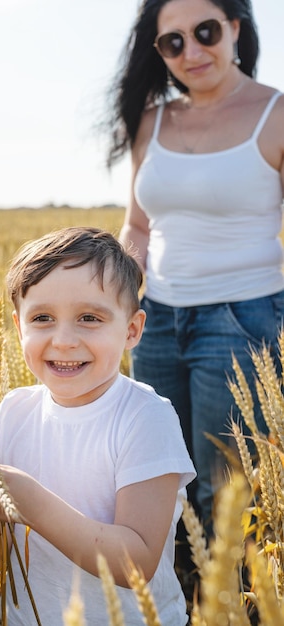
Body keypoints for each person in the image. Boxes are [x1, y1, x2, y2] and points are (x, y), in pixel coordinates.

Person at [0, 226, 196, 626]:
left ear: (132, 330)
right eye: (42, 318)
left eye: (89, 318)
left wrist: (31, 503)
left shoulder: (146, 418)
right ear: (19, 328)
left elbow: (136, 565)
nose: (64, 339)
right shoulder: (12, 412)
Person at [105, 0, 284, 534]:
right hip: (155, 320)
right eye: (173, 42)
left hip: (243, 324)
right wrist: (117, 297)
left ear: (234, 28)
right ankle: (173, 603)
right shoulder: (152, 119)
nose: (192, 50)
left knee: (225, 490)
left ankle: (227, 612)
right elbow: (138, 226)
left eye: (205, 31)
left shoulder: (275, 114)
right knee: (159, 476)